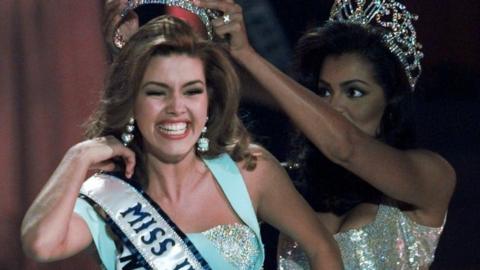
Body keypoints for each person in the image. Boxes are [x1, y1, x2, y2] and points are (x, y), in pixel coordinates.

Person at [20, 15, 342, 270]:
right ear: (132, 102)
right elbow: (40, 244)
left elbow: (321, 248)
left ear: (209, 100)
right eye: (157, 92)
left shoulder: (249, 171)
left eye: (191, 91)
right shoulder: (108, 199)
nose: (176, 108)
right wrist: (78, 156)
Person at [193, 0, 456, 269]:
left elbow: (346, 147)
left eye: (354, 92)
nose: (332, 108)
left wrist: (247, 55)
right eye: (324, 92)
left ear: (390, 102)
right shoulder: (289, 182)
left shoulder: (430, 176)